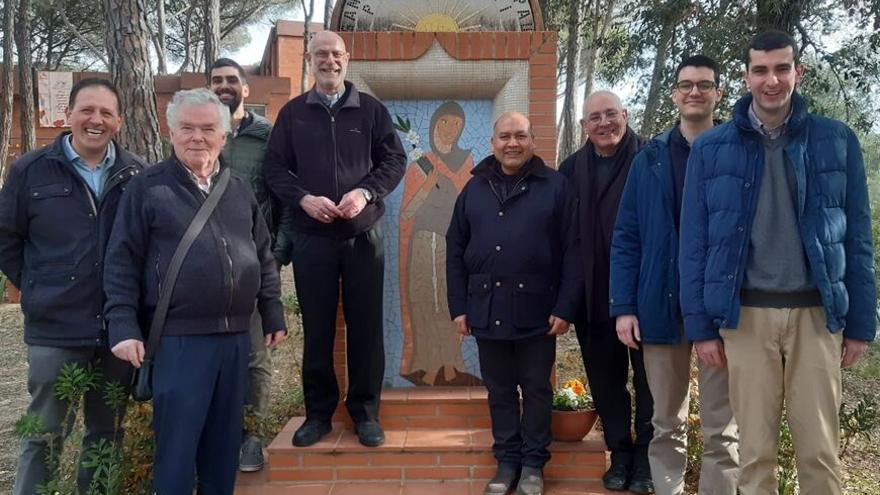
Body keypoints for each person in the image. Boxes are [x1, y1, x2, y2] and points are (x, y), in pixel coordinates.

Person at [680, 30, 877, 495]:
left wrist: (862, 323)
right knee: (754, 455)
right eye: (761, 70)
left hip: (817, 317)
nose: (772, 80)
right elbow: (694, 244)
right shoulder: (711, 149)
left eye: (782, 68)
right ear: (747, 77)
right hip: (745, 318)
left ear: (797, 72)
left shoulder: (838, 141)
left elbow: (858, 237)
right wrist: (702, 328)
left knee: (820, 455)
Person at [104, 88, 287, 494]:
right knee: (178, 449)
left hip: (236, 338)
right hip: (179, 340)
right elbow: (121, 261)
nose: (197, 137)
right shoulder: (147, 189)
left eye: (207, 129)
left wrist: (271, 310)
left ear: (224, 136)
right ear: (171, 132)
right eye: (187, 128)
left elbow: (261, 254)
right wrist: (122, 324)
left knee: (223, 451)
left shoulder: (238, 189)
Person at [0, 78, 145, 495]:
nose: (95, 120)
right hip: (56, 328)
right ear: (70, 115)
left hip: (117, 333)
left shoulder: (136, 174)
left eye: (105, 113)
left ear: (119, 120)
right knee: (43, 434)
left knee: (106, 436)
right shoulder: (31, 169)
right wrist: (34, 284)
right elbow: (7, 239)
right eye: (87, 110)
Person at [263, 30, 406, 448]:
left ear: (348, 59)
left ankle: (365, 413)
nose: (329, 60)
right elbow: (275, 170)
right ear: (310, 60)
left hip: (364, 236)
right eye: (321, 54)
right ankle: (318, 414)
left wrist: (365, 193)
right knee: (319, 328)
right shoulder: (292, 115)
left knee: (366, 326)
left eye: (336, 53)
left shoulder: (371, 111)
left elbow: (395, 160)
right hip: (312, 238)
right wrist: (303, 199)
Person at [610, 55, 739, 495]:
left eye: (704, 84)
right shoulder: (651, 158)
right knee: (666, 422)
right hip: (661, 306)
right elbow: (627, 236)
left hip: (723, 309)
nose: (695, 92)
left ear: (719, 93)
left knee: (724, 428)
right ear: (674, 94)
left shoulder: (738, 150)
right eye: (686, 85)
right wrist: (624, 306)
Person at [447, 112, 581, 495]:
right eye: (505, 136)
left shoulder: (556, 186)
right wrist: (459, 307)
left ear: (533, 141)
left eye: (520, 135)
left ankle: (534, 465)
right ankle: (507, 462)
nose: (512, 143)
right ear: (493, 143)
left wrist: (566, 306)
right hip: (485, 307)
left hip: (538, 309)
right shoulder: (473, 189)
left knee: (537, 388)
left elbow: (574, 251)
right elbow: (454, 251)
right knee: (500, 389)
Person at [559, 90, 654, 493]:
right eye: (594, 117)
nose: (603, 123)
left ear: (625, 115)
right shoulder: (571, 169)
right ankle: (620, 454)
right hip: (594, 296)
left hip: (646, 294)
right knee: (606, 382)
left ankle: (647, 460)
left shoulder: (652, 158)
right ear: (583, 126)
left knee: (651, 383)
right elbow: (563, 239)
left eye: (610, 114)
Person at [208, 56, 281, 472]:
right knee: (212, 355)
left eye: (231, 80)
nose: (223, 86)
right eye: (216, 80)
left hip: (253, 265)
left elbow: (283, 196)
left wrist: (279, 251)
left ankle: (251, 438)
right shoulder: (197, 133)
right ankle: (220, 435)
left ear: (245, 89)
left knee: (254, 357)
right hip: (201, 269)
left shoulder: (267, 138)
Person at [399, 100, 480, 387]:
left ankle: (450, 364)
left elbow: (470, 204)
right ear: (434, 125)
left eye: (456, 124)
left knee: (450, 302)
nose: (449, 129)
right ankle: (426, 364)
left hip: (452, 245)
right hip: (423, 242)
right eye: (444, 122)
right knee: (423, 301)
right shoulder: (419, 166)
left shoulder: (467, 164)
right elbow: (407, 212)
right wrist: (426, 184)